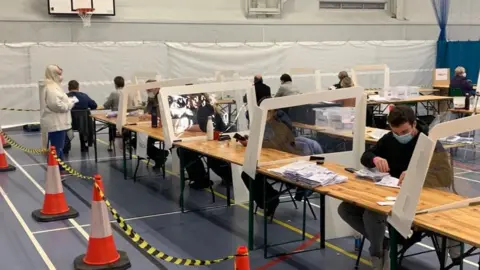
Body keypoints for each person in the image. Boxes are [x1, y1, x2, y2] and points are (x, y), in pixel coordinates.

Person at [338, 105, 458, 270]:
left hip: (420, 197)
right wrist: (375, 159)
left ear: (414, 124)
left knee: (371, 214)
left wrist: (415, 175)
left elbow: (444, 176)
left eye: (404, 132)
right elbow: (366, 156)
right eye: (396, 132)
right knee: (345, 209)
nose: (400, 136)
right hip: (391, 192)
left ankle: (378, 255)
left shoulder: (430, 142)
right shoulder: (389, 139)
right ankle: (384, 243)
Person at [239, 97, 323, 215]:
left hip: (288, 161)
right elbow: (265, 139)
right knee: (248, 173)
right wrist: (251, 140)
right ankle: (269, 199)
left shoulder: (282, 122)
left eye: (266, 111)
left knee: (251, 174)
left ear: (273, 110)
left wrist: (255, 143)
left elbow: (276, 143)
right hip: (271, 158)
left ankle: (269, 200)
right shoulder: (266, 120)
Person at [178, 94, 231, 189]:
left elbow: (203, 127)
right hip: (210, 139)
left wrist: (186, 127)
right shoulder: (201, 108)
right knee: (184, 151)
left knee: (185, 152)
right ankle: (201, 178)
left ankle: (202, 179)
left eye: (189, 98)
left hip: (218, 139)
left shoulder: (204, 109)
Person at [40, 65, 76, 174]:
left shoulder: (54, 86)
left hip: (59, 123)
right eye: (59, 74)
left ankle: (59, 168)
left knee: (57, 148)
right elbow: (56, 105)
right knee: (56, 148)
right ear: (53, 74)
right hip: (56, 124)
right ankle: (55, 170)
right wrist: (70, 104)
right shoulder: (51, 88)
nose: (61, 76)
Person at [138, 79, 169, 170]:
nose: (148, 92)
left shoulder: (163, 96)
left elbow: (162, 115)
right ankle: (160, 155)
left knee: (144, 141)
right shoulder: (152, 96)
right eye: (147, 90)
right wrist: (145, 115)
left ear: (156, 87)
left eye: (149, 90)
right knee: (138, 140)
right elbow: (148, 110)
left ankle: (160, 156)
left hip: (166, 127)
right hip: (155, 126)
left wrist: (150, 116)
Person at [65, 80, 97, 152]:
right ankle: (84, 146)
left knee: (65, 128)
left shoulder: (65, 96)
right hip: (83, 124)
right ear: (78, 87)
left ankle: (66, 147)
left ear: (68, 88)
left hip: (69, 123)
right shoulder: (84, 96)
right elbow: (94, 105)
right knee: (84, 124)